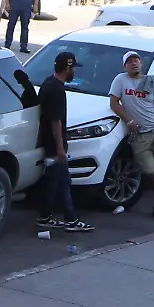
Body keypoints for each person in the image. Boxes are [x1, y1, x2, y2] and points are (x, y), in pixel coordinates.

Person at [108, 51, 154, 221]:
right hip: (139, 135)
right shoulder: (121, 80)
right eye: (130, 61)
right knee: (149, 170)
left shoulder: (153, 82)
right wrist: (129, 120)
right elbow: (114, 103)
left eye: (137, 61)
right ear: (125, 66)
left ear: (141, 64)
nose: (134, 64)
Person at [36, 51, 93, 233]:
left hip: (48, 142)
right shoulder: (57, 89)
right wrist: (61, 148)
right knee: (63, 183)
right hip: (54, 145)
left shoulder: (48, 83)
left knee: (55, 183)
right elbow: (56, 121)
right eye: (74, 67)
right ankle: (71, 220)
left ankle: (46, 217)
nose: (75, 71)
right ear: (67, 67)